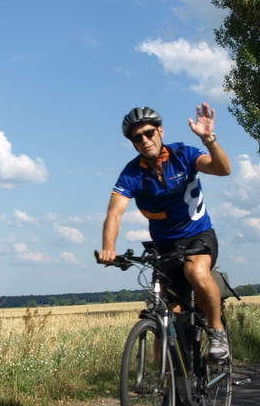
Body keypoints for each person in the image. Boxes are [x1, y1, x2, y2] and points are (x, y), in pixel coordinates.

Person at [97, 104, 232, 358]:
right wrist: (109, 248)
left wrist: (208, 140)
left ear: (160, 131)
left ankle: (217, 331)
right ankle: (166, 378)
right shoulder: (132, 173)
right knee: (164, 313)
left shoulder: (183, 154)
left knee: (196, 272)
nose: (145, 140)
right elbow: (115, 213)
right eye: (137, 138)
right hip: (165, 246)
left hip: (198, 235)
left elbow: (223, 169)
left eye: (149, 133)